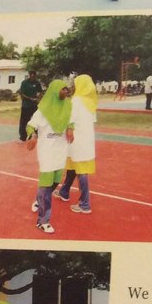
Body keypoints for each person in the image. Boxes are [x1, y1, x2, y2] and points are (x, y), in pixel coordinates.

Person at [25, 80, 74, 234]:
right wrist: (32, 134)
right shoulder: (43, 110)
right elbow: (30, 125)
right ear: (54, 91)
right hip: (47, 151)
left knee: (56, 181)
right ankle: (43, 221)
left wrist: (70, 129)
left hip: (60, 150)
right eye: (63, 89)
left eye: (67, 89)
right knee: (46, 187)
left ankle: (39, 200)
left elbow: (71, 120)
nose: (66, 92)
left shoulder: (68, 105)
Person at [55, 73, 97, 215]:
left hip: (77, 138)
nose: (73, 86)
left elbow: (70, 119)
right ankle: (64, 191)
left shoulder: (77, 100)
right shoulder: (91, 101)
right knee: (74, 165)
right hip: (86, 139)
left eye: (75, 83)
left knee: (81, 171)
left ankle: (85, 204)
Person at [18, 71, 43, 142]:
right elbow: (22, 93)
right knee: (24, 121)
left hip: (34, 105)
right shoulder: (24, 83)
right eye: (31, 75)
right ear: (29, 75)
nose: (32, 77)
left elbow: (40, 92)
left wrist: (39, 98)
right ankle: (23, 136)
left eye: (34, 76)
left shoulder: (37, 83)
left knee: (36, 119)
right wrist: (29, 98)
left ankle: (36, 134)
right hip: (26, 105)